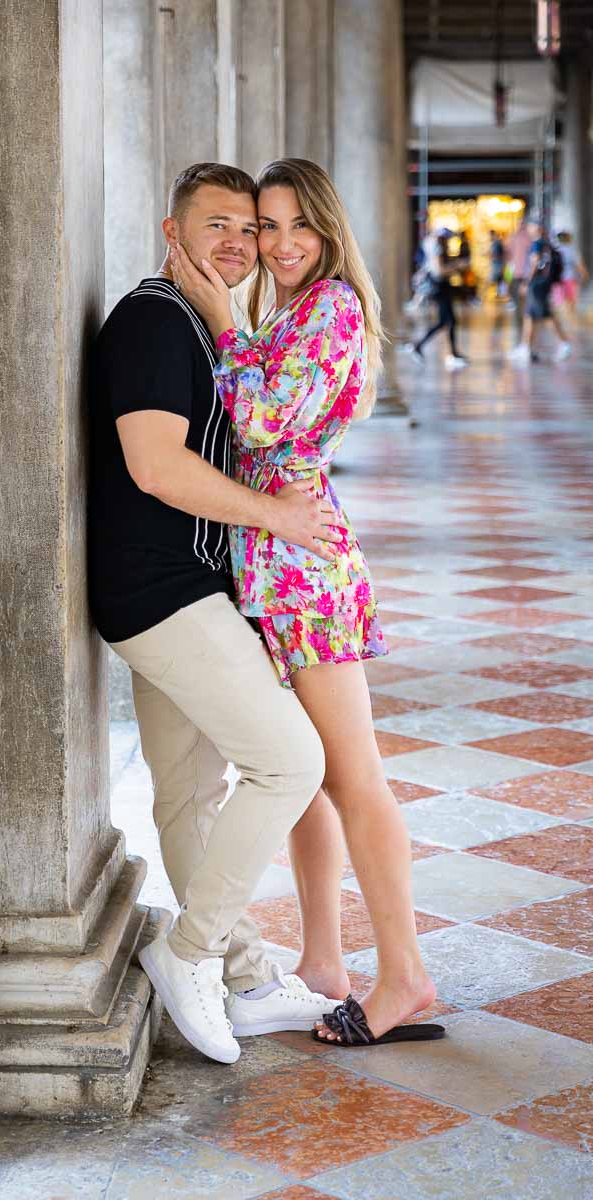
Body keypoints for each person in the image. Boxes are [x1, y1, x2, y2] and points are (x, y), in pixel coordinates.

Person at [171, 157, 442, 1048]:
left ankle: (404, 976)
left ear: (328, 231)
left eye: (297, 226)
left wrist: (219, 319)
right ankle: (325, 963)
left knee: (353, 776)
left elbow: (257, 424)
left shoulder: (330, 307)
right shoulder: (290, 309)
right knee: (313, 782)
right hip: (271, 564)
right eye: (266, 227)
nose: (280, 245)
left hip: (304, 574)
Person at [89, 162, 348, 1066]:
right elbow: (156, 467)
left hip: (185, 583)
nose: (239, 243)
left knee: (191, 792)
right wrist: (279, 515)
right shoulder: (158, 320)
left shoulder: (203, 326)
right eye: (219, 226)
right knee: (291, 761)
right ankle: (189, 954)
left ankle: (241, 975)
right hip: (161, 591)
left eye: (251, 228)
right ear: (173, 231)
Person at [508, 219, 571, 364]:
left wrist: (526, 282)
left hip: (537, 284)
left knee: (544, 314)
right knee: (530, 315)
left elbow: (534, 262)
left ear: (537, 228)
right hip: (543, 284)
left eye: (530, 226)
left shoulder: (537, 244)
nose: (528, 228)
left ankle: (564, 342)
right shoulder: (546, 243)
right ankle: (525, 347)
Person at [405, 229, 467, 370]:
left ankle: (453, 353)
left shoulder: (433, 246)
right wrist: (457, 265)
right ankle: (419, 345)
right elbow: (440, 270)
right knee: (445, 321)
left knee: (450, 321)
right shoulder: (437, 248)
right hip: (440, 287)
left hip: (442, 286)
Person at [506, 217, 534, 341]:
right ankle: (525, 329)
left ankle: (523, 328)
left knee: (520, 304)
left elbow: (508, 256)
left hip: (520, 275)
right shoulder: (529, 239)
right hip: (524, 275)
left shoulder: (515, 238)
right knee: (525, 303)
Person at [553, 230, 588, 313]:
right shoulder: (572, 250)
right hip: (570, 278)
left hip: (557, 279)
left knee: (559, 304)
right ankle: (571, 322)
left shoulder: (554, 251)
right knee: (571, 303)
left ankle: (563, 322)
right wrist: (585, 275)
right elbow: (580, 265)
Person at [489, 229, 506, 297]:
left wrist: (491, 256)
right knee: (499, 279)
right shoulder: (496, 242)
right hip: (498, 263)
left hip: (498, 264)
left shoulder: (497, 243)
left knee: (498, 278)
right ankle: (500, 293)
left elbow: (498, 254)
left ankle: (501, 293)